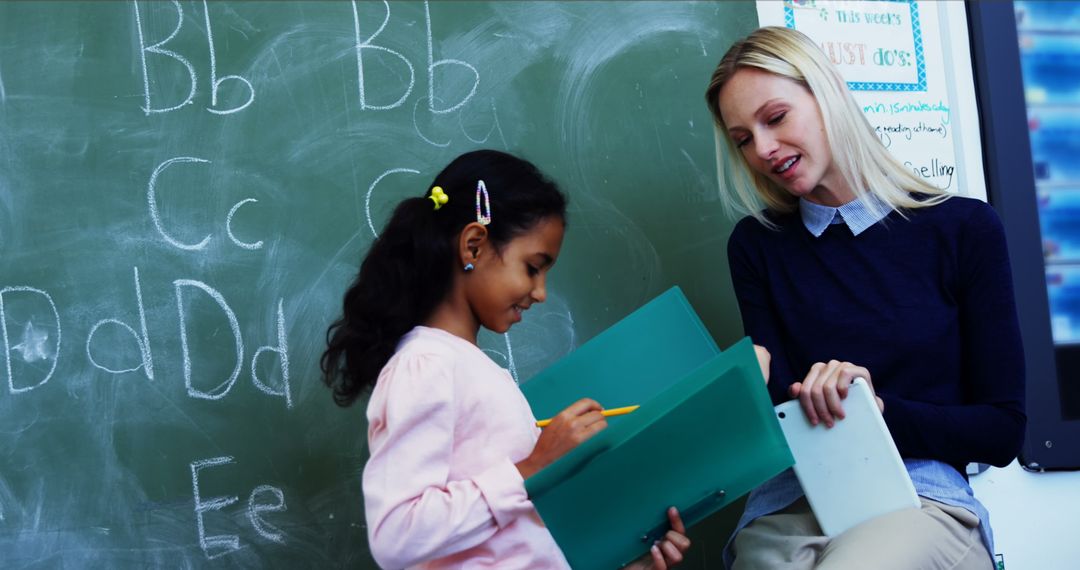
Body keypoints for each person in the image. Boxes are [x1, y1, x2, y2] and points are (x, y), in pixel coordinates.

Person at [703, 27, 1025, 570]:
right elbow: (780, 408)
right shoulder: (757, 248)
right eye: (741, 138)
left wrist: (875, 412)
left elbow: (1002, 430)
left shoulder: (963, 228)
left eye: (775, 118)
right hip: (790, 504)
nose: (761, 149)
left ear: (827, 95)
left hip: (920, 498)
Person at [321, 150, 691, 569]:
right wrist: (532, 467)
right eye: (533, 268)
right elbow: (397, 535)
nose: (541, 292)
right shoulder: (426, 365)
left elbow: (510, 548)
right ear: (474, 245)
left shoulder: (471, 367)